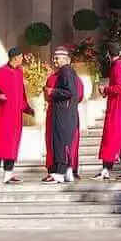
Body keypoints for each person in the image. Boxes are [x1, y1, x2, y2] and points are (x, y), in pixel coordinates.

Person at [0, 47, 33, 186]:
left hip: (16, 115)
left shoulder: (19, 71)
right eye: (21, 57)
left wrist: (27, 108)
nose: (22, 59)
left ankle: (8, 174)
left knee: (13, 143)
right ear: (15, 57)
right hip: (3, 114)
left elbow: (21, 93)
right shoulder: (1, 71)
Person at [95, 42, 121, 180]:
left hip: (117, 109)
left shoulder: (118, 66)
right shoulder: (118, 66)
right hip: (119, 108)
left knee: (110, 138)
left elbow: (120, 88)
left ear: (108, 54)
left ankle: (106, 170)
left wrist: (105, 90)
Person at [42, 46, 80, 185]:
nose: (54, 60)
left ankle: (58, 174)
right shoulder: (68, 72)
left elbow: (68, 92)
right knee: (61, 142)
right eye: (54, 58)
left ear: (66, 59)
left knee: (60, 142)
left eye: (57, 58)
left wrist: (53, 91)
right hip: (65, 112)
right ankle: (64, 172)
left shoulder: (66, 71)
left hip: (63, 112)